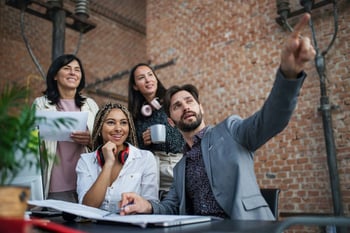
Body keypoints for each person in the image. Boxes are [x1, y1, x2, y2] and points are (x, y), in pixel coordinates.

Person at [119, 13, 316, 220]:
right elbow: (170, 207)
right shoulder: (180, 168)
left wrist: (288, 76)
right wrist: (147, 206)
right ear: (170, 120)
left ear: (201, 108)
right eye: (177, 106)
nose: (185, 107)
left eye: (189, 101)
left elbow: (271, 120)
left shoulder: (231, 131)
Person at [33, 54, 99, 203]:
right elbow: (31, 143)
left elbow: (103, 141)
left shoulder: (91, 105)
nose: (73, 73)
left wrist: (90, 141)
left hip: (86, 182)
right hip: (54, 183)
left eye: (77, 70)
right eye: (67, 68)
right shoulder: (41, 104)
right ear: (55, 75)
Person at [76, 103, 159, 211]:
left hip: (131, 225)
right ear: (99, 128)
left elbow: (150, 205)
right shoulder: (85, 161)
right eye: (111, 122)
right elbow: (87, 207)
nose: (118, 128)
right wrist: (108, 164)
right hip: (95, 226)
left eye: (123, 123)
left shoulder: (145, 158)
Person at [128, 63, 185, 199]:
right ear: (135, 86)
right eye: (141, 78)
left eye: (150, 75)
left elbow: (185, 137)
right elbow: (135, 149)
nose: (148, 80)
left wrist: (166, 134)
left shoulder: (172, 102)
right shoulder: (135, 114)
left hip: (175, 165)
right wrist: (143, 141)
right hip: (152, 171)